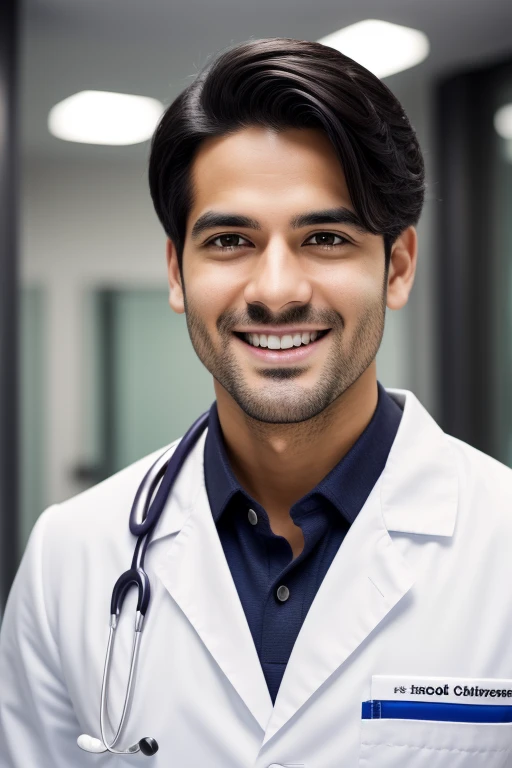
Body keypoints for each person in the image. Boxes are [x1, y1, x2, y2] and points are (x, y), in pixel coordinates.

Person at [1, 37, 512, 768]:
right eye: (231, 240)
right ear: (177, 273)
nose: (276, 291)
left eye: (326, 237)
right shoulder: (70, 558)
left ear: (396, 268)